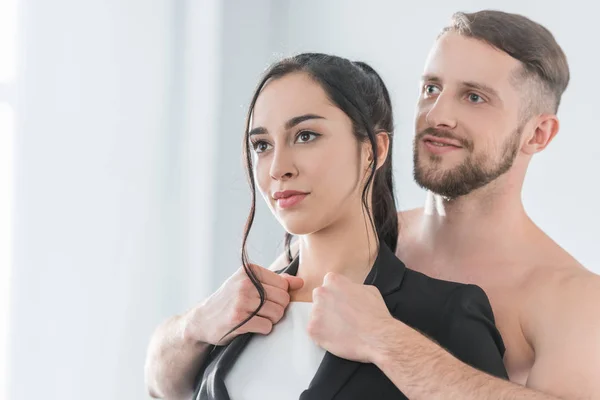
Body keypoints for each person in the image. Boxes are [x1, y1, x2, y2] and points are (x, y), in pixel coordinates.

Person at [145, 10, 600, 400]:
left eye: (474, 96)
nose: (438, 114)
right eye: (430, 88)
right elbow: (167, 381)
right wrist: (193, 325)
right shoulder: (353, 239)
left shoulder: (570, 298)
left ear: (538, 134)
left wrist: (387, 341)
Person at [189, 52, 508, 400]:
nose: (278, 167)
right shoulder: (234, 314)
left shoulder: (445, 313)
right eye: (262, 145)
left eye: (306, 135)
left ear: (374, 149)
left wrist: (385, 339)